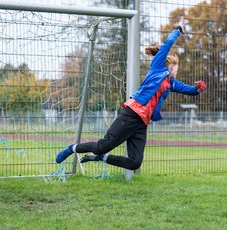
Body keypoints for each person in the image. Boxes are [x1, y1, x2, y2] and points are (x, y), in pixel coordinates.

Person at [56, 16, 207, 170]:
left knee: (135, 162)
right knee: (103, 145)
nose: (177, 70)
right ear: (171, 66)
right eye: (177, 67)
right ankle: (71, 148)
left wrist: (198, 89)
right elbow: (167, 44)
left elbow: (190, 91)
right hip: (132, 113)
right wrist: (178, 29)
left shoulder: (171, 84)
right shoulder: (157, 68)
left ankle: (102, 158)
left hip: (142, 123)